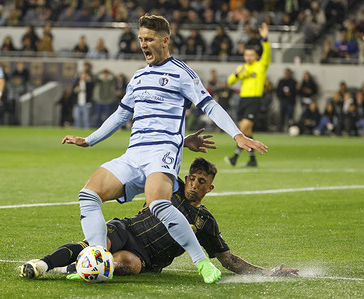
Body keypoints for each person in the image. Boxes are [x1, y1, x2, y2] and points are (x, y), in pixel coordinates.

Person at [61, 15, 267, 284]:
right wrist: (89, 140)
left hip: (162, 153)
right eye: (141, 39)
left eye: (148, 39)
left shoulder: (182, 73)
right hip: (134, 153)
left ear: (164, 41)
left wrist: (237, 134)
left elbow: (210, 105)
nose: (143, 44)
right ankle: (98, 262)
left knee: (159, 203)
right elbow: (120, 115)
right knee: (88, 194)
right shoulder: (138, 77)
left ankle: (202, 263)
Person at [19, 157, 298, 279]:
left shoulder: (205, 221)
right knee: (96, 243)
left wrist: (267, 272)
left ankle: (68, 270)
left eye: (202, 182)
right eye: (192, 178)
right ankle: (42, 264)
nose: (194, 184)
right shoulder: (169, 184)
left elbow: (228, 259)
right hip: (126, 229)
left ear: (209, 188)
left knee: (124, 264)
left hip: (146, 258)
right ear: (186, 178)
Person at [225, 22, 270, 167]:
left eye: (251, 55)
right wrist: (238, 74)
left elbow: (267, 54)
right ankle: (252, 160)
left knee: (242, 129)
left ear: (256, 56)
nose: (248, 57)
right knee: (247, 131)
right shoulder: (242, 68)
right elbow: (230, 81)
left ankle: (235, 157)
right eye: (246, 54)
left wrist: (265, 39)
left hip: (255, 100)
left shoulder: (260, 66)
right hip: (243, 100)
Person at [276, 68, 297, 133]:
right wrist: (281, 95)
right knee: (282, 114)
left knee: (290, 115)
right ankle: (281, 128)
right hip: (283, 100)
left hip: (290, 101)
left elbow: (296, 92)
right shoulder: (281, 81)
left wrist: (290, 94)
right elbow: (277, 90)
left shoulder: (293, 82)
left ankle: (290, 128)